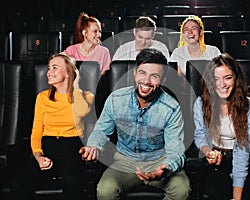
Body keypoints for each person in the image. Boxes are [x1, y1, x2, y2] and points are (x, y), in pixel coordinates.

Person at [79, 48, 191, 199]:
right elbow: (100, 131)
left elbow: (176, 150)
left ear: (163, 81)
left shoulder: (171, 107)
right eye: (142, 73)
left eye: (154, 76)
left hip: (159, 161)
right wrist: (94, 147)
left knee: (181, 189)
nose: (146, 81)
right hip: (125, 161)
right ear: (134, 73)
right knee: (105, 190)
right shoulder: (116, 99)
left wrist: (164, 170)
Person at [10, 54, 95, 200]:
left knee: (72, 183)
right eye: (49, 68)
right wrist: (39, 157)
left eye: (55, 68)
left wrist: (75, 85)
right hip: (47, 148)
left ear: (68, 73)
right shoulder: (42, 97)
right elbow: (36, 132)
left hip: (72, 149)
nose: (49, 72)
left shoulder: (86, 96)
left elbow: (81, 112)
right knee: (19, 185)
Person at [193, 53, 250, 200]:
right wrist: (208, 152)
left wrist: (237, 198)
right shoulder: (201, 103)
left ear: (236, 79)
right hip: (215, 158)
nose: (222, 84)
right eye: (216, 79)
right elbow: (200, 135)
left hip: (244, 161)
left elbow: (243, 152)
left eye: (227, 78)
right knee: (216, 190)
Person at [63, 12, 111, 76]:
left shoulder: (104, 52)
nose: (99, 35)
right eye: (95, 31)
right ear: (85, 33)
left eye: (100, 31)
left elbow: (103, 77)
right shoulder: (71, 51)